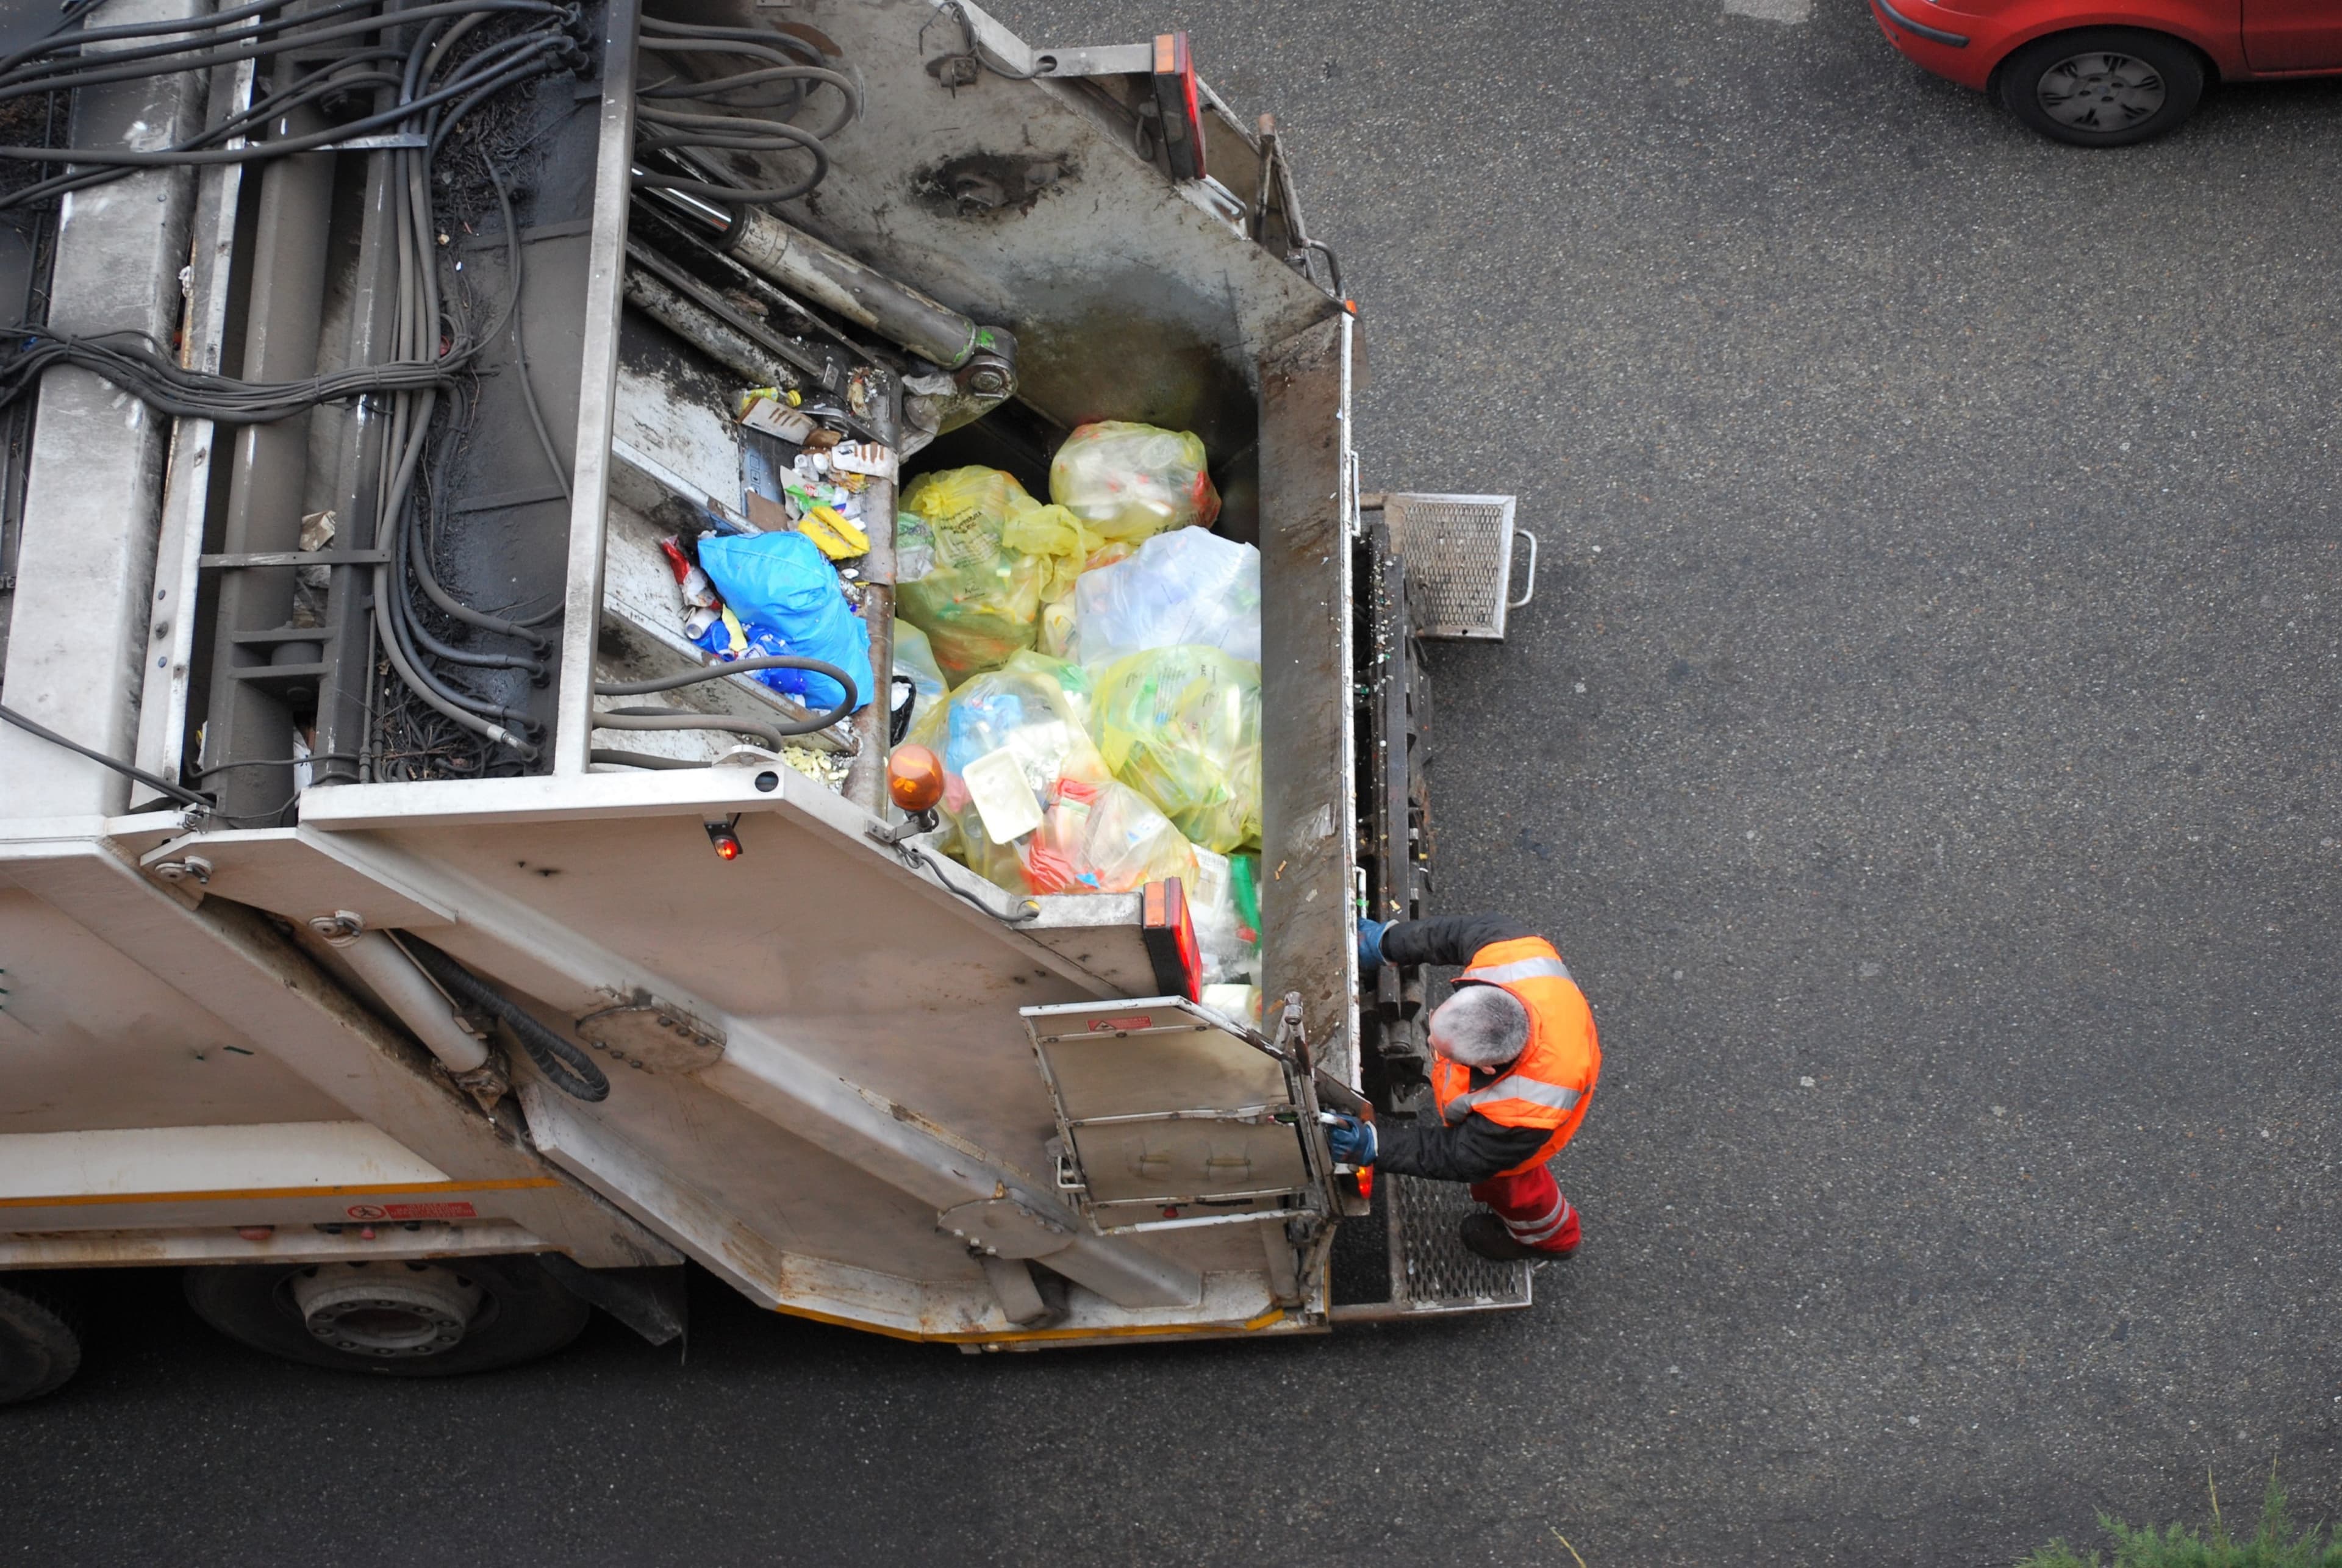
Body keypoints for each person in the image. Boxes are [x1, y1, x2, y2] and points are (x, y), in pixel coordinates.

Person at [1327, 914, 1600, 1262]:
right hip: (1566, 1041)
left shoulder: (1522, 1113)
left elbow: (1457, 1156)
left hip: (1550, 1102)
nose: (1427, 1043)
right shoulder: (1514, 950)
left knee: (1515, 1187)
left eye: (1440, 1051)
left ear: (1486, 1068)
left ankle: (1550, 1240)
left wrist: (1374, 1145)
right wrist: (1388, 944)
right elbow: (1453, 934)